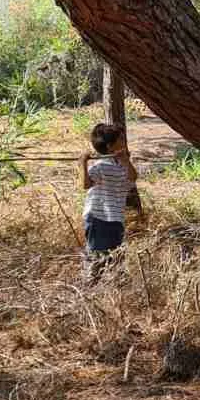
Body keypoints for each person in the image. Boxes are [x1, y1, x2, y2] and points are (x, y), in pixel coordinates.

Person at [80, 121, 137, 282]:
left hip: (115, 217)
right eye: (120, 140)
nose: (124, 143)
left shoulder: (121, 165)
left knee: (116, 254)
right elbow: (85, 184)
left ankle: (114, 286)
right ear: (110, 146)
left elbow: (133, 178)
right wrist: (82, 164)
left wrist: (126, 161)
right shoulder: (100, 166)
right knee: (96, 255)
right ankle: (90, 286)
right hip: (98, 218)